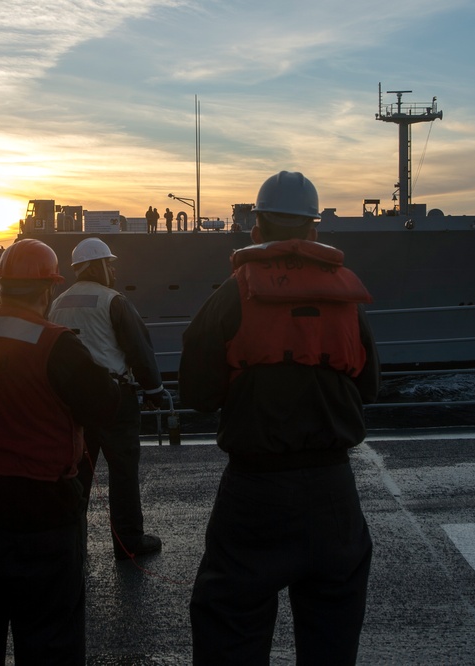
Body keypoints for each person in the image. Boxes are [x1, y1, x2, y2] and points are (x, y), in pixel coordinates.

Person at [179, 171, 381, 664]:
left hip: (256, 495)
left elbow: (199, 393)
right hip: (333, 493)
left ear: (255, 229)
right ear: (314, 231)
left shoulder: (230, 296)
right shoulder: (348, 302)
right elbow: (368, 387)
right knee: (333, 634)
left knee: (230, 627)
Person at [0, 239, 125, 664]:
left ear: (1, 285)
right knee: (50, 638)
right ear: (47, 290)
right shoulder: (56, 344)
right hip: (41, 511)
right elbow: (103, 404)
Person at [48, 237, 165, 560]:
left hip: (73, 402)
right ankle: (128, 542)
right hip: (115, 398)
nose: (112, 268)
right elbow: (139, 349)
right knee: (123, 471)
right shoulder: (113, 301)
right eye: (108, 263)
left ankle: (72, 542)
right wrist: (153, 390)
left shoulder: (58, 303)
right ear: (95, 266)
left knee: (78, 473)